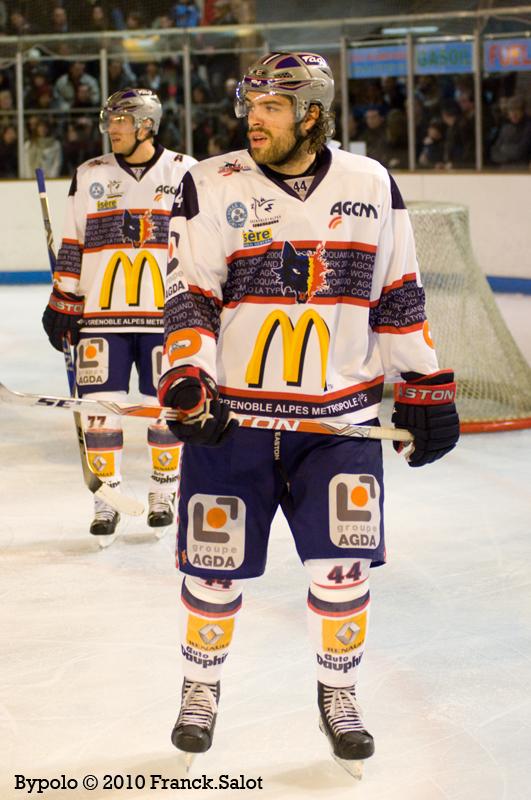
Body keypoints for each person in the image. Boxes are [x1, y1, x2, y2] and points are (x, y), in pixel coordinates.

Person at [157, 52, 460, 774]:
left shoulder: (369, 185)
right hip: (235, 423)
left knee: (341, 571)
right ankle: (199, 688)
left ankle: (339, 694)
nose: (250, 119)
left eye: (268, 107)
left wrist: (423, 385)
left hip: (339, 425)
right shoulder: (209, 183)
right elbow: (191, 293)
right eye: (248, 104)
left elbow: (398, 295)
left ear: (312, 113)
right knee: (213, 570)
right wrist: (187, 378)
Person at [42, 88, 196, 540]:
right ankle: (106, 497)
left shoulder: (184, 171)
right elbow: (73, 241)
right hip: (101, 318)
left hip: (164, 316)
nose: (112, 129)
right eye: (109, 121)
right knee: (99, 411)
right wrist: (63, 300)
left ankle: (164, 491)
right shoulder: (90, 174)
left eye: (121, 121)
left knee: (164, 410)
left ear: (147, 125)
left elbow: (198, 244)